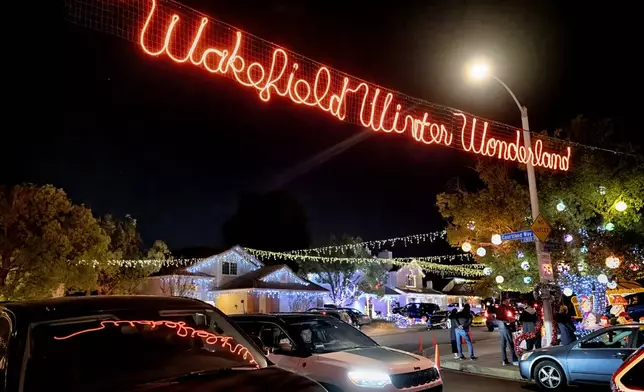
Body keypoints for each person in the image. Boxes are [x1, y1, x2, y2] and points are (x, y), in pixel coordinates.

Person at [494, 298, 518, 365]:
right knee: (510, 343)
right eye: (508, 301)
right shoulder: (503, 308)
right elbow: (503, 318)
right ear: (504, 301)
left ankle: (504, 360)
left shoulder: (500, 308)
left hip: (501, 326)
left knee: (503, 344)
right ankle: (514, 360)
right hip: (504, 326)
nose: (509, 303)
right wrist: (511, 320)